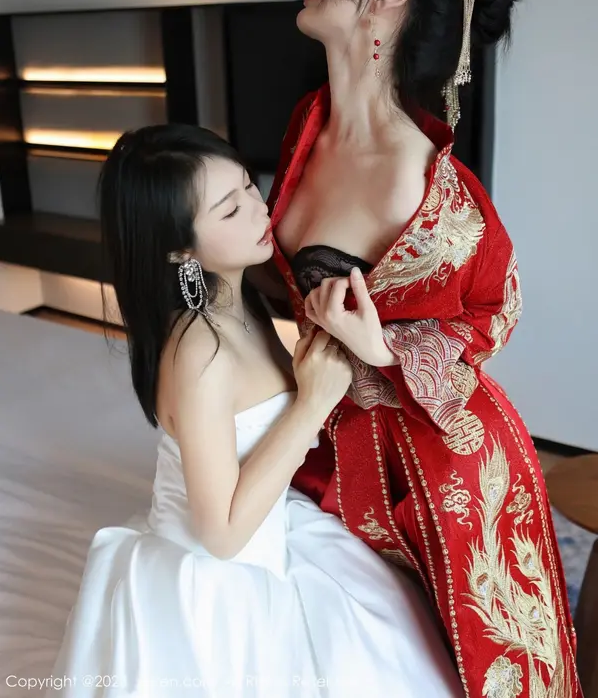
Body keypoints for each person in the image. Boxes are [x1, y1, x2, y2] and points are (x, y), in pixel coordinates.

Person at [263, 0, 581, 697]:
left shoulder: (426, 185)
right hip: (330, 430)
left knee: (487, 662)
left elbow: (494, 309)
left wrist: (383, 350)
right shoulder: (311, 120)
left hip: (437, 457)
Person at [46, 124, 464, 698]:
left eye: (248, 185)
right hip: (219, 566)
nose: (257, 208)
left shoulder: (240, 293)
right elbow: (219, 535)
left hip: (275, 523)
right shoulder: (198, 351)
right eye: (229, 209)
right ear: (179, 250)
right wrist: (311, 403)